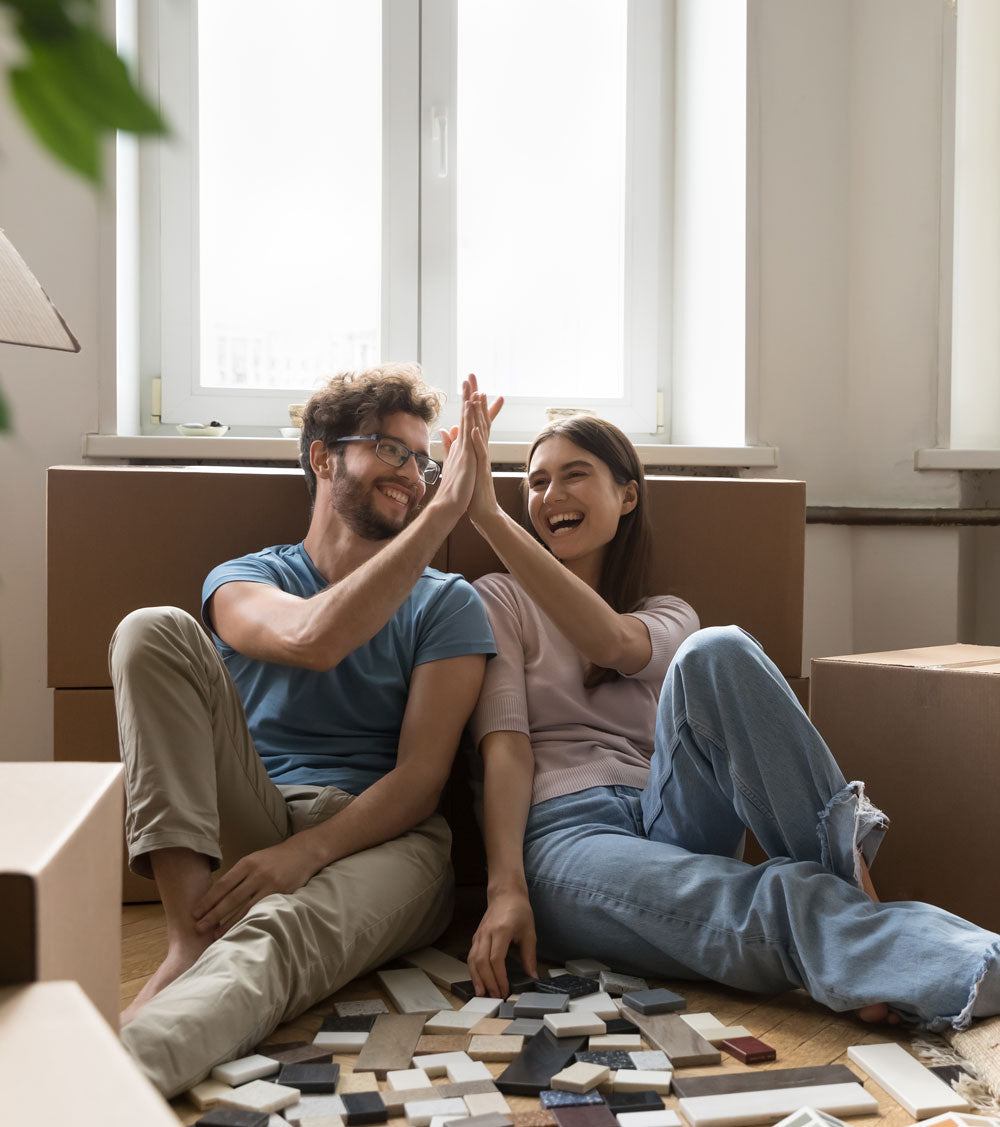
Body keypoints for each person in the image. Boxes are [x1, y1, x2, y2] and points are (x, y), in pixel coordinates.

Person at [456, 380, 1000, 1031]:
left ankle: (852, 897)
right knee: (764, 897)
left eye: (575, 474)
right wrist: (505, 888)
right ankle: (953, 959)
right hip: (570, 837)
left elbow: (610, 640)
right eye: (536, 484)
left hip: (667, 810)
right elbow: (505, 748)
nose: (551, 495)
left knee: (717, 648)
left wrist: (490, 516)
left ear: (628, 494)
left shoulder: (666, 615)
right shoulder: (499, 597)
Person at [110, 364, 499, 1097]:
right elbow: (316, 639)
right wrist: (446, 514)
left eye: (424, 460)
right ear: (324, 457)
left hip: (383, 842)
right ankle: (190, 933)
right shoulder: (247, 578)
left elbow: (420, 781)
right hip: (254, 814)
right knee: (150, 630)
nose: (413, 476)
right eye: (392, 450)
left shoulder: (448, 604)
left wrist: (306, 852)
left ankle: (104, 1086)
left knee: (277, 937)